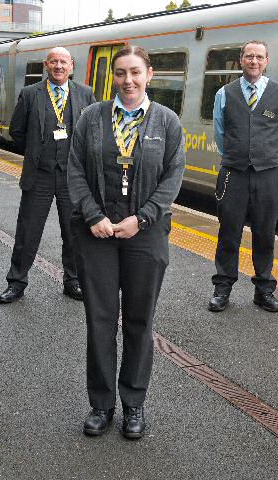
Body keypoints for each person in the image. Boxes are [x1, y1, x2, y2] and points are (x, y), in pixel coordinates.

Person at [68, 46, 184, 439]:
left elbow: (172, 178)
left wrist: (143, 217)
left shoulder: (167, 122)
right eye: (120, 73)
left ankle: (134, 403)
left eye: (135, 72)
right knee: (99, 321)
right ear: (112, 76)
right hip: (97, 234)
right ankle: (101, 405)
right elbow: (75, 172)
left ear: (149, 74)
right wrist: (93, 216)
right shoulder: (91, 118)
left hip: (145, 236)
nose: (128, 81)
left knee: (138, 321)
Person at [0, 47, 97, 304]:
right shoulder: (30, 94)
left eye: (63, 62)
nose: (59, 66)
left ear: (71, 65)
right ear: (46, 65)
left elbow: (93, 132)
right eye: (54, 62)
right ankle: (16, 283)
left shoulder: (85, 94)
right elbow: (16, 131)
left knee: (74, 232)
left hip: (72, 178)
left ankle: (72, 281)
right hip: (39, 175)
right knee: (27, 231)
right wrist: (36, 152)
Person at [208, 40, 278, 313]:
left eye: (259, 57)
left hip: (268, 174)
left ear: (266, 60)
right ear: (241, 60)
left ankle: (264, 290)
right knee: (228, 232)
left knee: (265, 233)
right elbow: (220, 134)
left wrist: (268, 158)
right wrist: (238, 155)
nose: (254, 61)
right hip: (234, 172)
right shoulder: (225, 93)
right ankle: (223, 288)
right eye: (249, 56)